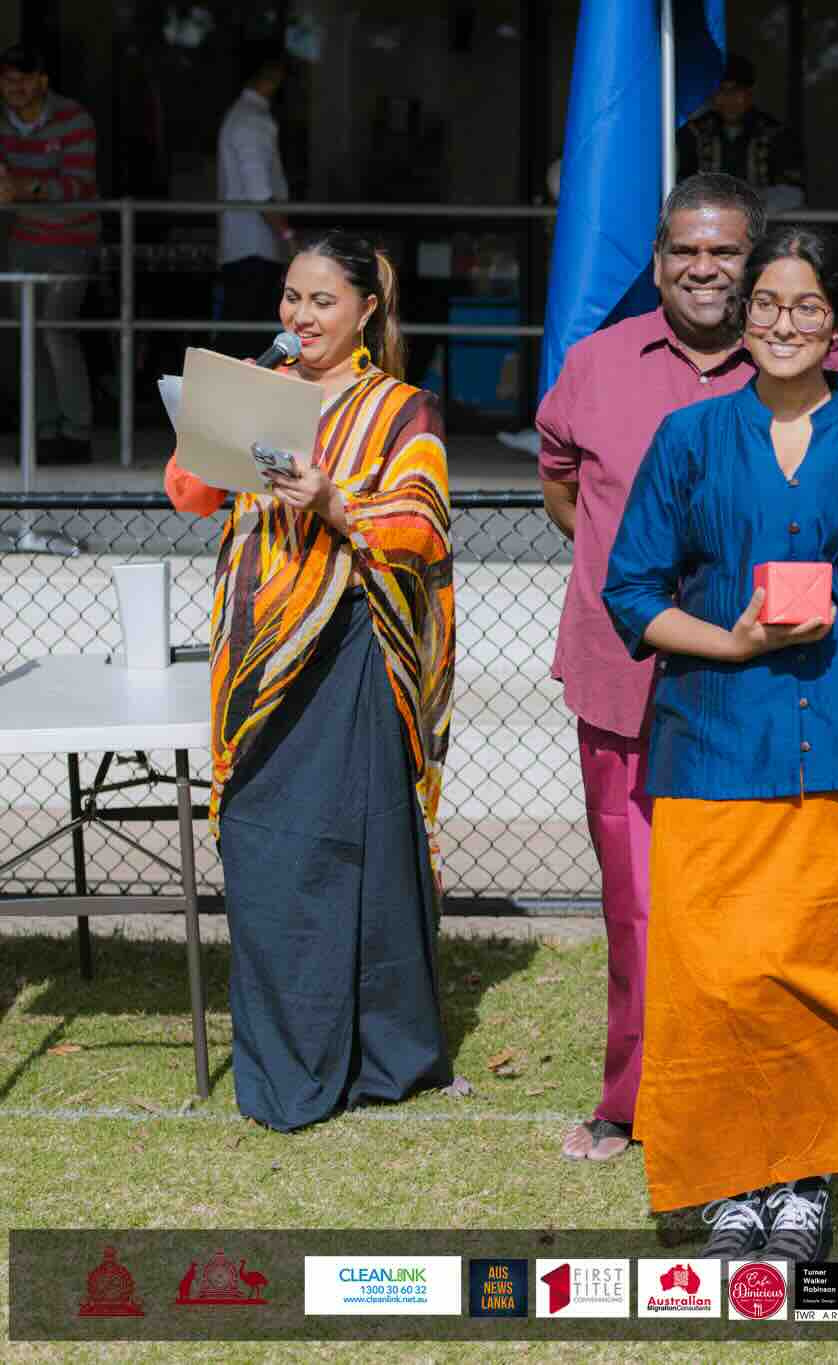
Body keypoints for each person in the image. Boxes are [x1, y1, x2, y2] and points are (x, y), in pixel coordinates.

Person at [604, 225, 838, 1259]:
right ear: (741, 316)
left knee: (819, 975)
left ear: (836, 326)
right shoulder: (689, 440)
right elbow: (630, 591)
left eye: (805, 307)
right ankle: (728, 1187)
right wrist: (732, 639)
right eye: (765, 304)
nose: (782, 322)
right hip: (710, 746)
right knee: (712, 978)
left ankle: (802, 1184)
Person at [535, 173, 838, 1165]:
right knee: (642, 910)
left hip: (773, 699)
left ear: (754, 259)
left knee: (773, 917)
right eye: (684, 251)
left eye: (724, 252)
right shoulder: (595, 364)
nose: (703, 268)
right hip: (628, 681)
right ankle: (635, 1101)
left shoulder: (826, 369)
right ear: (657, 260)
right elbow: (564, 489)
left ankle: (775, 1099)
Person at [161, 230, 456, 1132]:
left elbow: (422, 524)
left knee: (352, 850)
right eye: (292, 298)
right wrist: (221, 413)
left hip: (353, 648)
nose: (301, 316)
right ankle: (290, 1059)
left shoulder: (403, 408)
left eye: (322, 300)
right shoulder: (264, 390)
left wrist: (331, 501)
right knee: (264, 849)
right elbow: (186, 493)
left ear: (368, 309)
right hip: (254, 653)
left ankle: (379, 1057)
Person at [0, 44, 100, 465]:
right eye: (6, 80)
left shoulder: (73, 119)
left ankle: (76, 433)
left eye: (22, 79)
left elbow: (79, 185)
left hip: (70, 242)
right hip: (23, 240)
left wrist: (24, 189)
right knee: (28, 335)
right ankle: (42, 432)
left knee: (56, 330)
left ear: (42, 80)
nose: (14, 88)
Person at [216, 45, 293, 332]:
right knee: (247, 343)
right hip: (255, 248)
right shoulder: (252, 121)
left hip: (246, 247)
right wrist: (288, 237)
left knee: (241, 339)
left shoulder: (243, 117)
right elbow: (259, 192)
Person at [677, 54, 805, 214]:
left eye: (736, 91)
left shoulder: (777, 134)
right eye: (721, 91)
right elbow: (678, 186)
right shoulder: (693, 133)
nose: (728, 99)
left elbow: (794, 194)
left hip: (764, 227)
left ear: (750, 93)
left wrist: (745, 206)